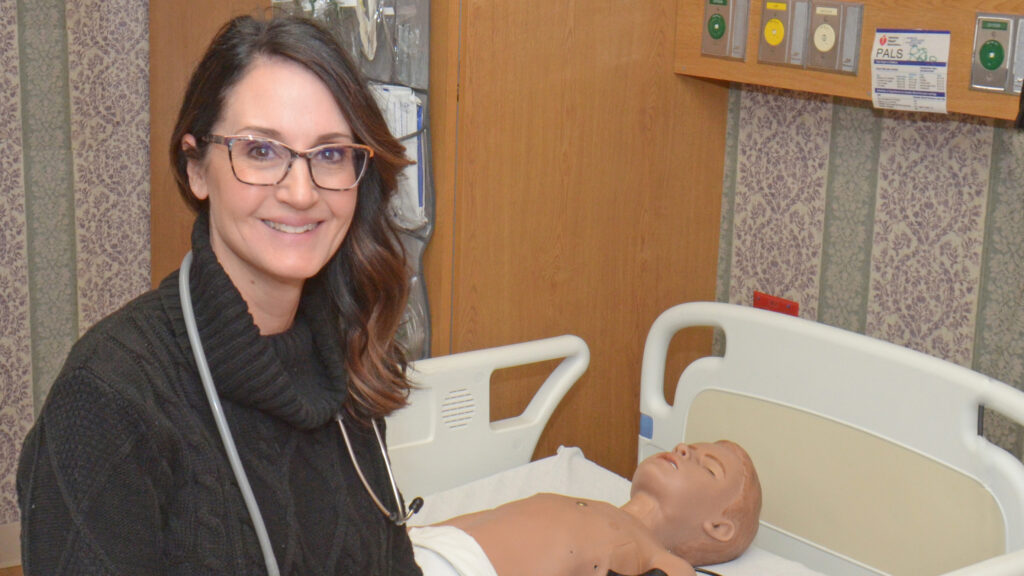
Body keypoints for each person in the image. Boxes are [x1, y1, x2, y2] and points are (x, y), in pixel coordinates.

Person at [17, 13, 422, 575]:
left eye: (330, 154)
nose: (301, 192)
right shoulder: (109, 400)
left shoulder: (348, 353)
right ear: (196, 168)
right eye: (261, 151)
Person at [409, 441, 762, 576]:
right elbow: (474, 524)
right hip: (411, 553)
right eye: (689, 446)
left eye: (708, 466)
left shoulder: (666, 563)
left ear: (718, 527)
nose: (684, 448)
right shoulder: (576, 503)